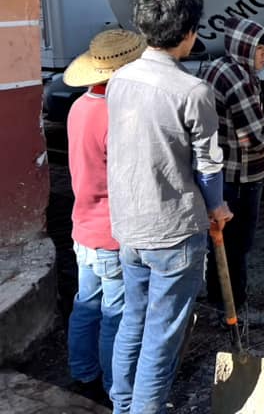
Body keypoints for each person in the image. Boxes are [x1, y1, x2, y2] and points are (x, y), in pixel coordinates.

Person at [107, 0, 232, 413]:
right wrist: (217, 207)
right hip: (174, 232)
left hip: (129, 225)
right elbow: (209, 165)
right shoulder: (192, 91)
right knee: (162, 338)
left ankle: (122, 405)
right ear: (189, 34)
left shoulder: (118, 79)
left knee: (133, 323)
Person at [63, 29, 146, 406]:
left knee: (85, 304)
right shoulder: (118, 116)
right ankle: (116, 388)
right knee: (116, 313)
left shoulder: (79, 107)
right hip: (113, 232)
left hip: (83, 226)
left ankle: (82, 372)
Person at [201, 18, 264, 328]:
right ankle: (237, 309)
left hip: (220, 173)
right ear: (244, 48)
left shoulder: (219, 67)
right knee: (238, 246)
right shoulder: (239, 80)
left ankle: (219, 301)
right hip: (240, 177)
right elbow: (254, 138)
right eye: (260, 49)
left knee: (221, 244)